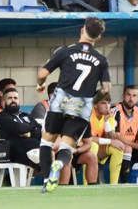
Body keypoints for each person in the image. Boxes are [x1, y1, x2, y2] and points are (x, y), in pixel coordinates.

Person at [38, 17, 111, 193]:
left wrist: (40, 84)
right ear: (99, 37)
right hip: (82, 105)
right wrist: (92, 100)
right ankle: (59, 163)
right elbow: (106, 89)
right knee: (66, 147)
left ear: (82, 29)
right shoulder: (101, 59)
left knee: (46, 143)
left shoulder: (65, 52)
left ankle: (48, 180)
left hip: (61, 100)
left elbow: (42, 72)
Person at [0, 88, 41, 170]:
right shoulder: (2, 117)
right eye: (10, 98)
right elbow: (19, 128)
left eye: (15, 98)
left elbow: (39, 130)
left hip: (31, 147)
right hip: (13, 151)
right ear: (4, 101)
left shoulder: (25, 115)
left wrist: (29, 133)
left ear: (19, 101)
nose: (13, 100)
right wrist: (32, 125)